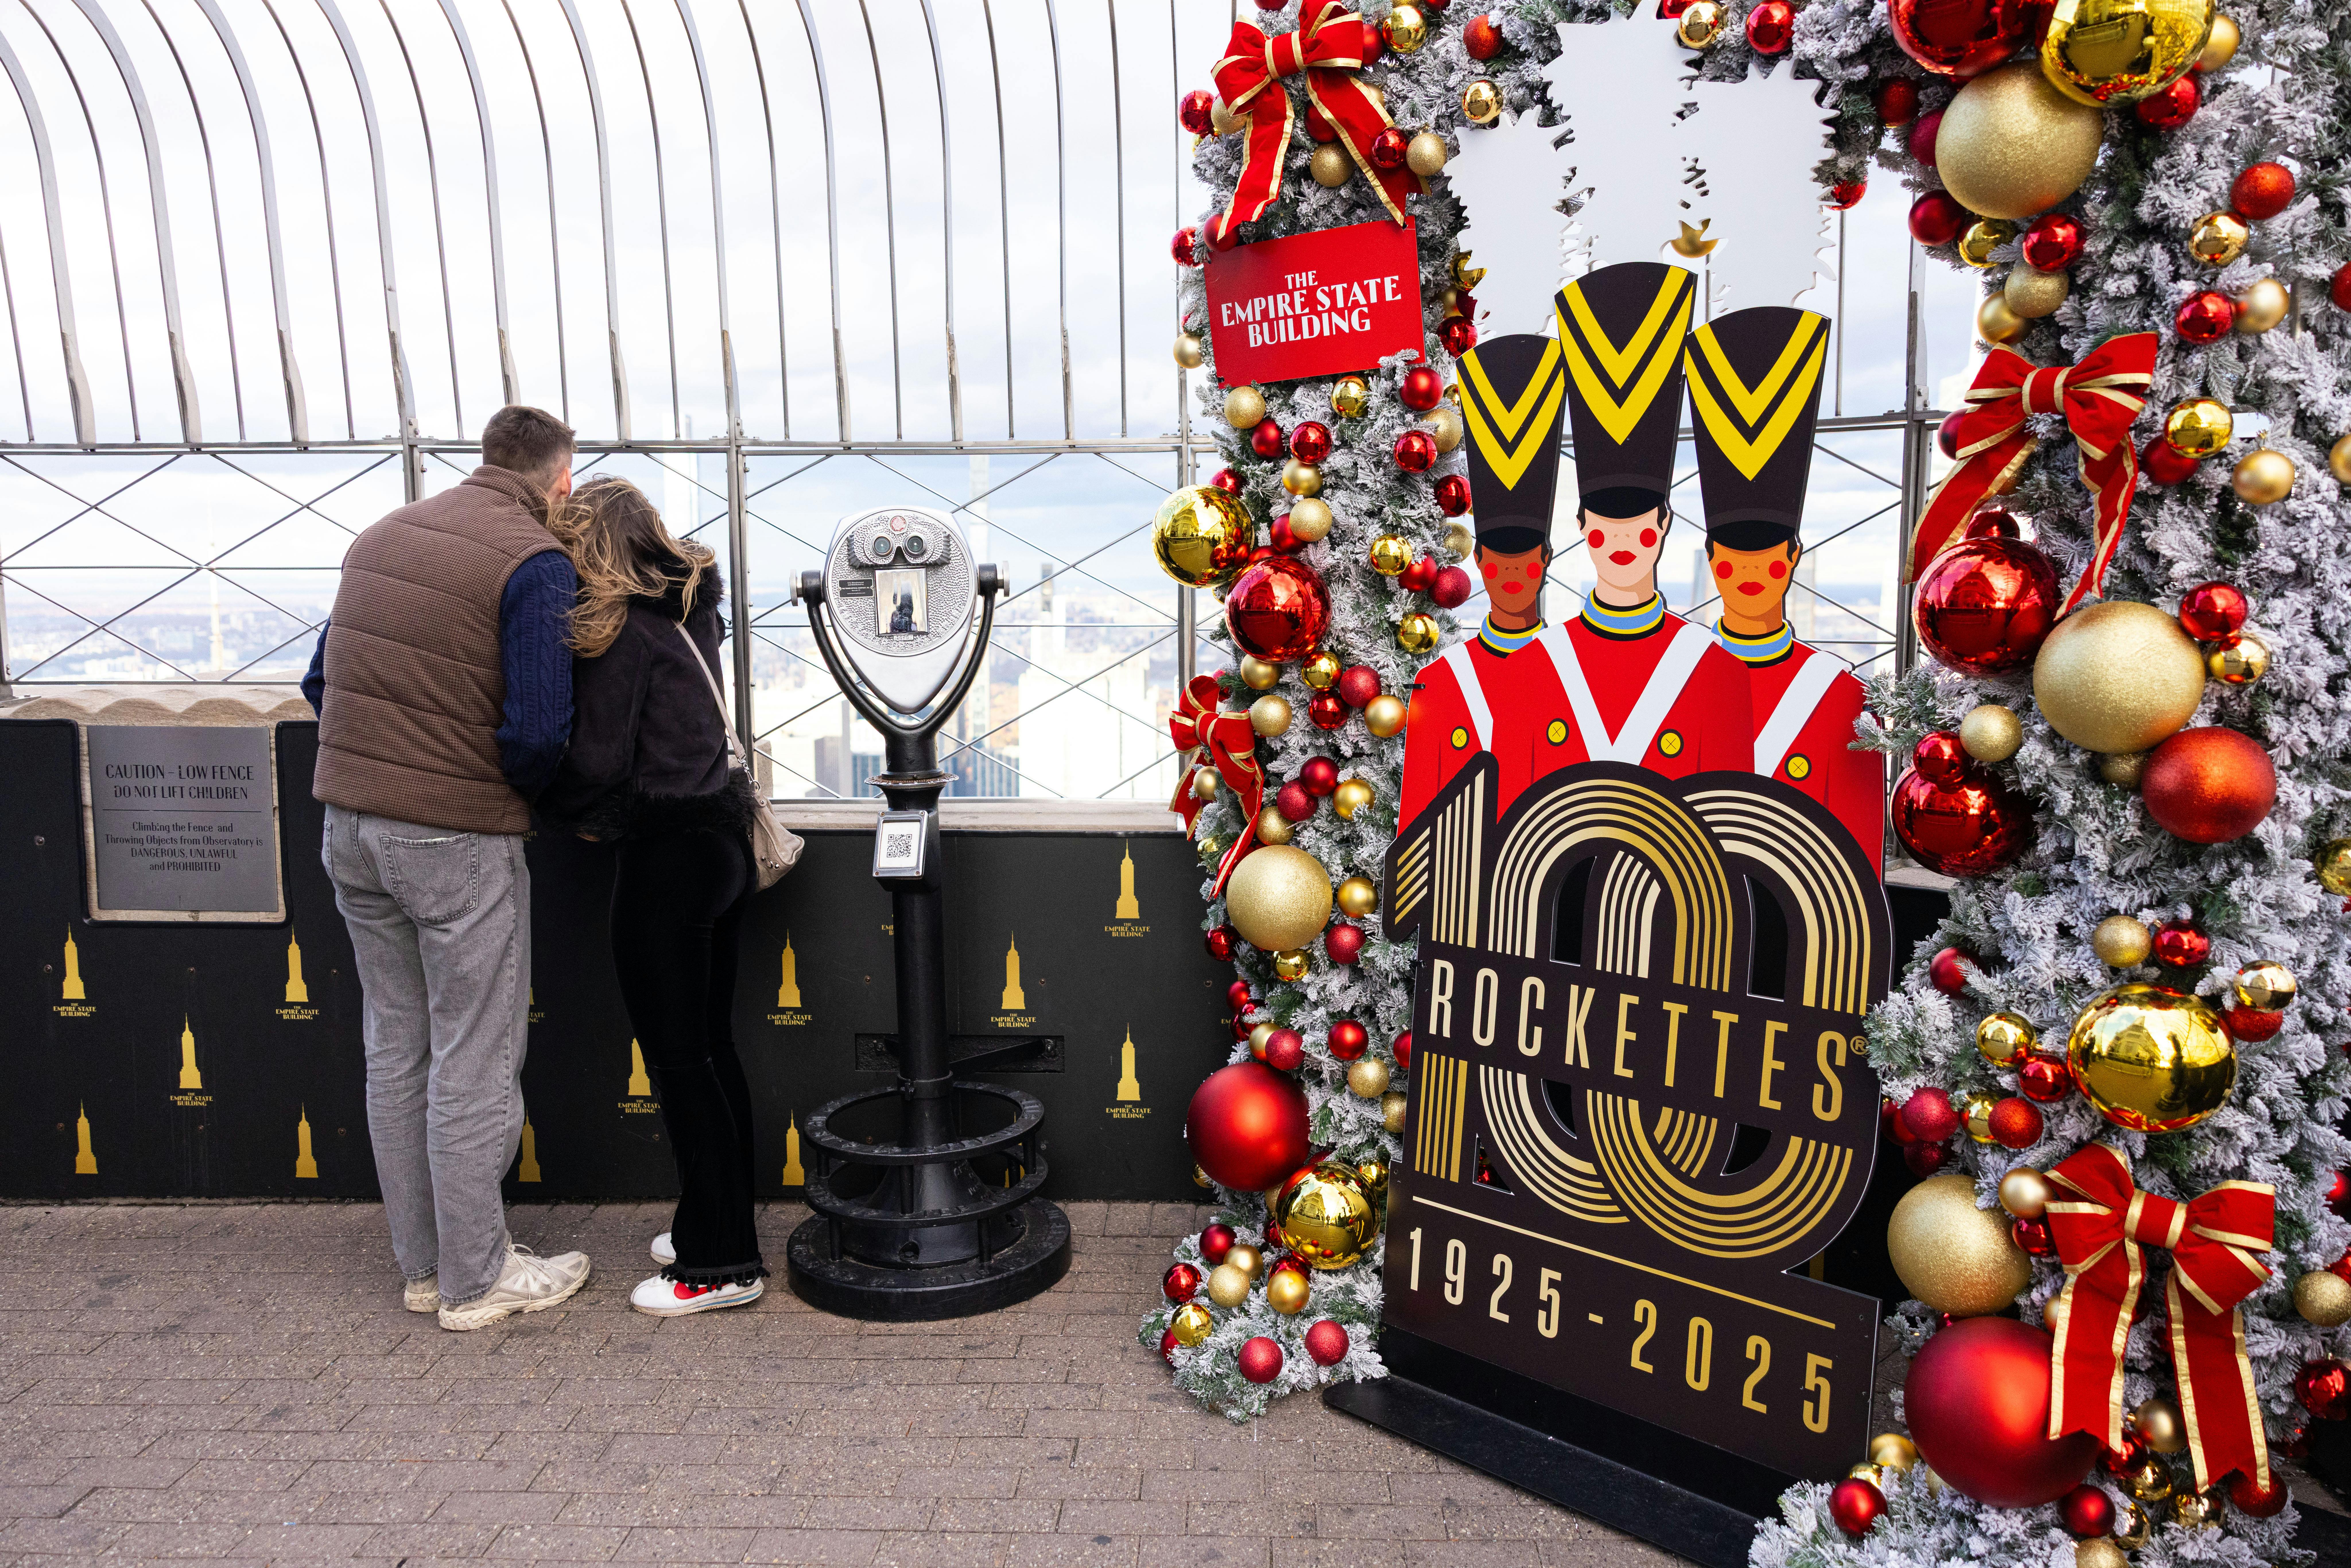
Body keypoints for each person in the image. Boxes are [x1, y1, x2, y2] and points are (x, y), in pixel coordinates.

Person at [302, 405, 591, 1331]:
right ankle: (477, 1281)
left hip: (349, 825)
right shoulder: (533, 562)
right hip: (453, 834)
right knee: (475, 1055)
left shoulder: (380, 537)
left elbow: (321, 683)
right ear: (560, 481)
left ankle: (426, 1267)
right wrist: (504, 795)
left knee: (398, 1044)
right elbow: (540, 730)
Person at [1398, 262, 1753, 831]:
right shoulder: (1529, 669)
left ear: (1663, 526)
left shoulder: (1714, 669)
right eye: (1603, 530)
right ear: (1582, 527)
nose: (1620, 546)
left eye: (1636, 530)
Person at [538, 477, 769, 1316]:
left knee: (679, 1063)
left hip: (665, 858)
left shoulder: (621, 634)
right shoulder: (689, 608)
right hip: (721, 845)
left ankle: (720, 1264)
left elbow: (595, 764)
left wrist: (554, 805)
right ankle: (718, 1221)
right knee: (711, 1052)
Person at [1686, 305, 1885, 871]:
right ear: (1711, 561)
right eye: (1731, 567)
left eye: (1767, 566)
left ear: (1794, 558)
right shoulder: (1673, 679)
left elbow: (1858, 862)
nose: (1748, 583)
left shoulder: (1842, 696)